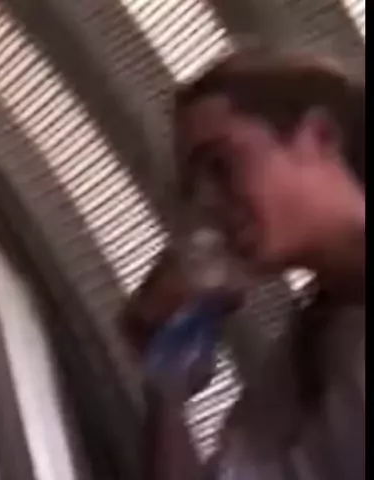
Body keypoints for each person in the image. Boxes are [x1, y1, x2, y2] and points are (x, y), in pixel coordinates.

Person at [123, 52, 364, 480]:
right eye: (193, 190)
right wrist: (165, 386)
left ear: (321, 135)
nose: (206, 203)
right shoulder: (311, 350)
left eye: (221, 165)